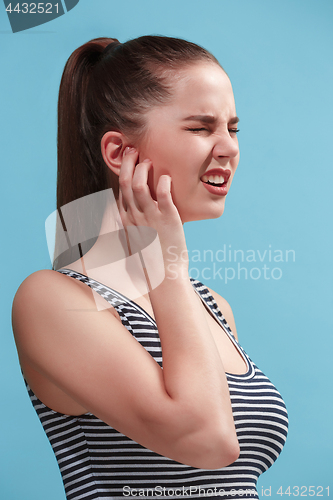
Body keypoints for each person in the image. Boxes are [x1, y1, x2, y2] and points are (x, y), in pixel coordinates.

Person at [12, 36, 288, 500]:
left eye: (232, 129)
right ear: (119, 154)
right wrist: (170, 264)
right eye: (202, 128)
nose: (228, 149)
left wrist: (170, 273)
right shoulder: (53, 300)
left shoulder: (212, 306)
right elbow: (207, 440)